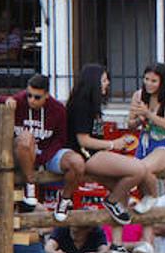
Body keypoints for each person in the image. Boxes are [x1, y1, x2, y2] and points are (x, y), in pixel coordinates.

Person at [62, 64, 157, 233]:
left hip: (97, 153)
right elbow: (83, 140)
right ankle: (111, 201)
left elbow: (95, 136)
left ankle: (116, 244)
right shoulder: (81, 104)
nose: (107, 84)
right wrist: (114, 144)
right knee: (138, 170)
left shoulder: (93, 104)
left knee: (123, 191)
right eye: (104, 80)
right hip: (86, 156)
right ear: (93, 82)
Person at [0, 74, 75, 213]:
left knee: (76, 162)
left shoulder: (58, 110)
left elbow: (61, 140)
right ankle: (30, 183)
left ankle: (63, 200)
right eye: (29, 95)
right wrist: (3, 102)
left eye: (37, 97)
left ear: (47, 95)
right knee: (26, 138)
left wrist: (43, 158)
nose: (31, 100)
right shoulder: (18, 101)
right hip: (17, 155)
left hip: (43, 156)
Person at [129, 63, 165, 196]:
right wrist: (140, 119)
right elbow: (130, 124)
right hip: (144, 143)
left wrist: (148, 114)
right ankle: (147, 200)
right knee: (133, 171)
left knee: (143, 168)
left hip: (164, 144)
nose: (149, 84)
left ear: (161, 82)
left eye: (154, 81)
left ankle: (153, 198)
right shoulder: (138, 95)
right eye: (146, 79)